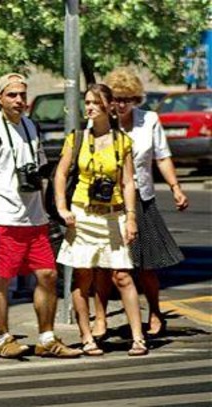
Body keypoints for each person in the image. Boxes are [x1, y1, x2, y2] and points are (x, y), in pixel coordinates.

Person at [0, 73, 82, 359]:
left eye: (22, 95)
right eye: (12, 95)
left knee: (48, 275)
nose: (19, 100)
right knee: (0, 280)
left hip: (35, 218)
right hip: (3, 218)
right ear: (0, 98)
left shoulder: (31, 126)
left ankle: (46, 338)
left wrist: (47, 210)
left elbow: (38, 171)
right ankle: (4, 339)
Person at [92, 68, 189, 339]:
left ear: (137, 99)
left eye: (129, 99)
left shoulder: (149, 120)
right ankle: (100, 318)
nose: (122, 105)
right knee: (106, 267)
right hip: (108, 202)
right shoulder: (100, 122)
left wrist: (176, 188)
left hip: (142, 199)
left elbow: (162, 157)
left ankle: (155, 312)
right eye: (117, 99)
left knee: (146, 265)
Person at [54, 83, 147, 357]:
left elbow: (128, 182)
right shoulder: (77, 139)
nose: (90, 107)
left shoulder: (122, 141)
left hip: (113, 215)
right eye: (87, 102)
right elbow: (60, 174)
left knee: (122, 276)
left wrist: (131, 217)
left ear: (109, 106)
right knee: (83, 276)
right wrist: (62, 207)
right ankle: (86, 337)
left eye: (95, 102)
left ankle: (138, 338)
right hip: (82, 215)